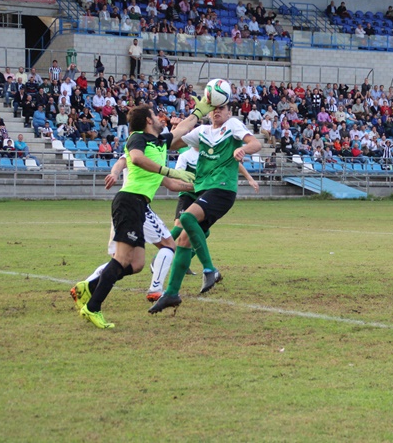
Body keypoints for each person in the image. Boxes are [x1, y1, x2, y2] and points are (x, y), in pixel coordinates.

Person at [69, 102, 204, 329]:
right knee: (122, 259)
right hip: (129, 201)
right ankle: (92, 307)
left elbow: (182, 132)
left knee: (137, 264)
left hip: (139, 205)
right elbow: (137, 159)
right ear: (148, 120)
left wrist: (201, 111)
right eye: (155, 114)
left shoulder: (160, 142)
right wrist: (169, 169)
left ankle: (89, 287)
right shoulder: (137, 138)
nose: (161, 117)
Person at [149, 88, 262, 314]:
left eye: (221, 108)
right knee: (183, 240)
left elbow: (255, 144)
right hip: (204, 190)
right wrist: (176, 127)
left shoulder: (233, 126)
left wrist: (243, 149)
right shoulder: (201, 131)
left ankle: (209, 269)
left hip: (222, 190)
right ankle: (171, 293)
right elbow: (172, 144)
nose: (217, 112)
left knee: (187, 217)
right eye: (214, 108)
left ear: (229, 112)